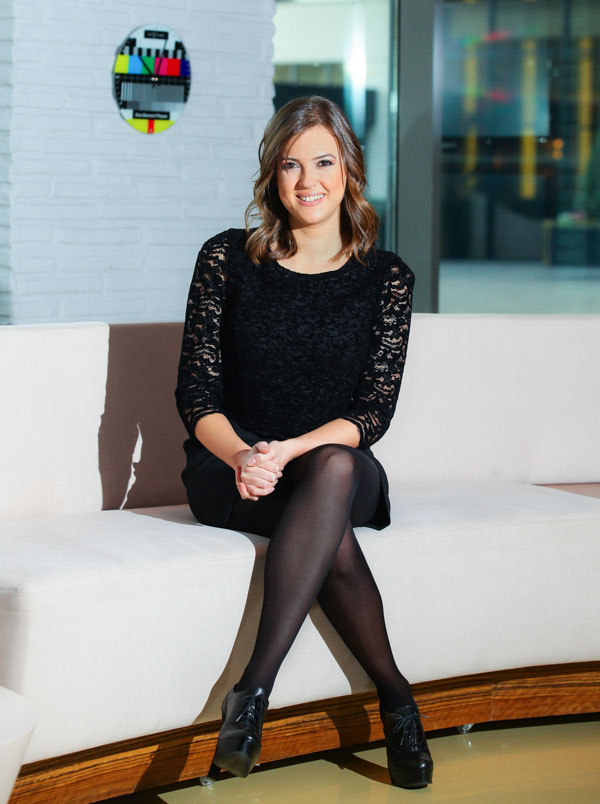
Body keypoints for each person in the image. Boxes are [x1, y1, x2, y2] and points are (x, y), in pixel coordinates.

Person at [174, 95, 433, 790]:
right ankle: (397, 698)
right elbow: (196, 395)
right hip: (233, 466)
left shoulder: (387, 278)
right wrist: (243, 456)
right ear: (272, 176)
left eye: (323, 162)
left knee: (334, 468)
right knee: (329, 530)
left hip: (333, 464)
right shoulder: (226, 258)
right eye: (290, 165)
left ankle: (251, 690)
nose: (307, 180)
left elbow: (372, 411)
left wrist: (287, 451)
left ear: (349, 170)